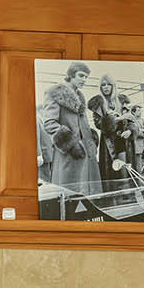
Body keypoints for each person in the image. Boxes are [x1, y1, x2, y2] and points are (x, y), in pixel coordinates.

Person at [40, 61, 96, 203]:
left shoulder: (80, 96)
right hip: (68, 153)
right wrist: (71, 144)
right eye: (81, 76)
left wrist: (92, 138)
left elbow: (82, 124)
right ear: (71, 75)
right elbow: (50, 123)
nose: (84, 80)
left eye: (86, 77)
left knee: (86, 197)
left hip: (86, 153)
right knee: (68, 196)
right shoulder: (54, 92)